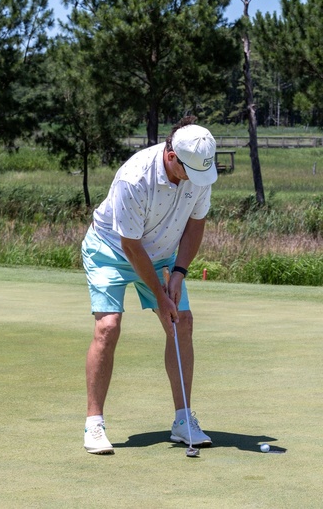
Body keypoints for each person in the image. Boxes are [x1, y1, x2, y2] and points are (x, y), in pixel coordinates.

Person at [81, 116, 217, 454]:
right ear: (171, 156)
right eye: (189, 172)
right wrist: (160, 293)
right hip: (111, 250)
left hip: (161, 254)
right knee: (108, 327)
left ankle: (183, 420)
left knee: (181, 323)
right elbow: (130, 245)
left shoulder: (199, 169)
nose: (195, 180)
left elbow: (196, 224)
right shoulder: (134, 177)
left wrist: (179, 272)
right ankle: (94, 424)